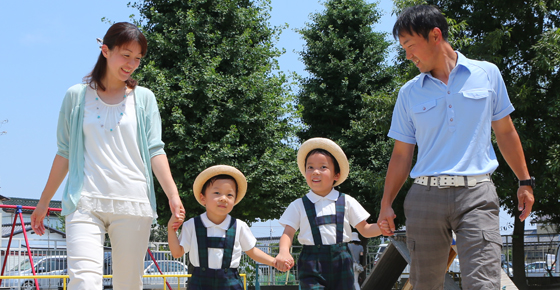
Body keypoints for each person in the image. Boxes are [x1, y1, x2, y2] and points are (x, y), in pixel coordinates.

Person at [377, 5, 535, 289]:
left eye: (410, 45)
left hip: (477, 195)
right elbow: (402, 154)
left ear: (435, 35)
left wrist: (524, 180)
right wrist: (386, 203)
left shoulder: (487, 74)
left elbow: (506, 131)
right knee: (425, 285)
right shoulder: (409, 93)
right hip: (425, 196)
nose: (407, 55)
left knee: (484, 283)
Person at [30, 22, 185, 290]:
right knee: (84, 281)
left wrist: (173, 195)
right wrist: (44, 202)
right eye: (126, 55)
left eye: (137, 58)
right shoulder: (76, 97)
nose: (132, 64)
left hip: (133, 202)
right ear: (105, 50)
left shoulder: (144, 98)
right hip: (85, 201)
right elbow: (64, 152)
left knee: (128, 283)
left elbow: (155, 150)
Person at [275, 137, 388, 289]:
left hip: (342, 260)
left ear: (336, 175)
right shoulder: (298, 205)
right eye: (310, 167)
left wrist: (383, 226)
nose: (315, 172)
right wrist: (283, 252)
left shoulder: (346, 201)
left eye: (323, 167)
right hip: (310, 262)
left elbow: (365, 229)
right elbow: (288, 233)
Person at [168, 165, 286, 290]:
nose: (223, 198)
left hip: (230, 283)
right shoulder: (191, 225)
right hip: (199, 283)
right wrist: (171, 229)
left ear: (235, 201)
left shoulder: (239, 226)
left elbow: (252, 251)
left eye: (229, 195)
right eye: (217, 193)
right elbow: (177, 253)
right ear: (203, 198)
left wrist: (274, 262)